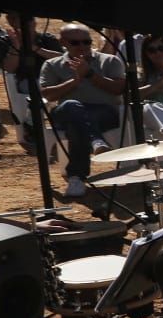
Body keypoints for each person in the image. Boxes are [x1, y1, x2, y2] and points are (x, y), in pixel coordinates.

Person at [39, 22, 126, 198]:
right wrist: (75, 81)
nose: (82, 47)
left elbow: (119, 89)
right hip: (66, 110)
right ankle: (97, 142)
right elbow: (47, 94)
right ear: (63, 42)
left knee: (77, 125)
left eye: (86, 42)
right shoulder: (52, 65)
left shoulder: (109, 61)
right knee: (72, 106)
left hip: (103, 112)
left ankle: (76, 177)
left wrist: (90, 75)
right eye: (75, 43)